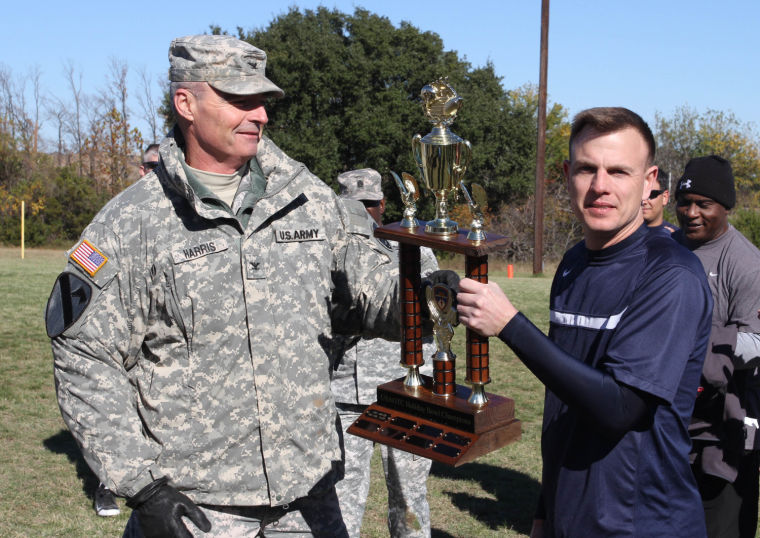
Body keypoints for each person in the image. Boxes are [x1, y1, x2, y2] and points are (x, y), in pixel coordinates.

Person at [45, 34, 419, 537]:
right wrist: (140, 484)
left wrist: (428, 297)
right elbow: (84, 354)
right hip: (196, 507)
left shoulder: (306, 197)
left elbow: (372, 294)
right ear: (186, 103)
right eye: (239, 100)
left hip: (307, 497)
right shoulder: (130, 224)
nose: (260, 115)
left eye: (262, 101)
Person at [456, 107, 713, 536]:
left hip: (641, 523)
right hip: (569, 516)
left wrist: (510, 325)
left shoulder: (672, 276)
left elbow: (620, 408)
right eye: (586, 169)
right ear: (565, 173)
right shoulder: (574, 262)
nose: (600, 186)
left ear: (650, 181)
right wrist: (544, 512)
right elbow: (565, 404)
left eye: (619, 171)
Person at [332, 168, 435, 538]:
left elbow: (433, 317)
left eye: (371, 205)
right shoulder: (328, 253)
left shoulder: (414, 249)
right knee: (342, 499)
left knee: (409, 499)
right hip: (344, 394)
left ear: (383, 204)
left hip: (405, 395)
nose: (366, 214)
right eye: (356, 207)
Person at [673, 155, 760, 538]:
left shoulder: (746, 262)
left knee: (721, 525)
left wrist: (689, 342)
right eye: (685, 202)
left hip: (724, 426)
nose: (691, 213)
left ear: (725, 207)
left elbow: (756, 342)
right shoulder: (668, 247)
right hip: (671, 419)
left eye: (704, 204)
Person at [92, 142, 163, 518]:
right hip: (122, 332)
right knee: (118, 407)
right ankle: (107, 487)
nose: (157, 172)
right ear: (141, 169)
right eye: (152, 165)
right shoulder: (121, 213)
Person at [642, 168, 677, 234]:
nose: (644, 202)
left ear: (665, 197)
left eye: (651, 195)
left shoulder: (677, 238)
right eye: (640, 195)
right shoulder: (620, 236)